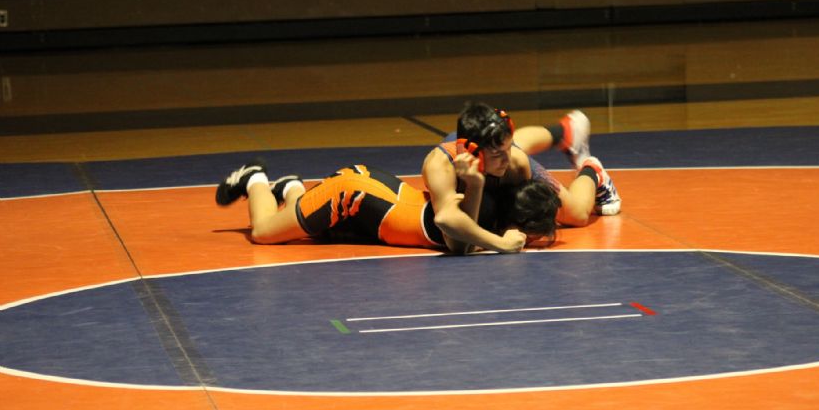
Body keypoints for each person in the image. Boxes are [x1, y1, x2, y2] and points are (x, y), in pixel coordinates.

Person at [213, 159, 560, 255]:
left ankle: (290, 188)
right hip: (350, 196)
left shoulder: (488, 209)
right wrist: (502, 244)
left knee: (305, 228)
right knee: (263, 232)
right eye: (535, 236)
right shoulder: (479, 214)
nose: (534, 242)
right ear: (520, 224)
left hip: (372, 197)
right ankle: (255, 179)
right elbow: (457, 239)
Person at [421, 104, 620, 249]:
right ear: (471, 153)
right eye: (498, 154)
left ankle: (592, 170)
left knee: (578, 214)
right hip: (475, 154)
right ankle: (565, 131)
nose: (506, 159)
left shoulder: (514, 163)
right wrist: (500, 242)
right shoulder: (440, 166)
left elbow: (524, 212)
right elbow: (453, 238)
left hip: (492, 154)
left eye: (508, 148)